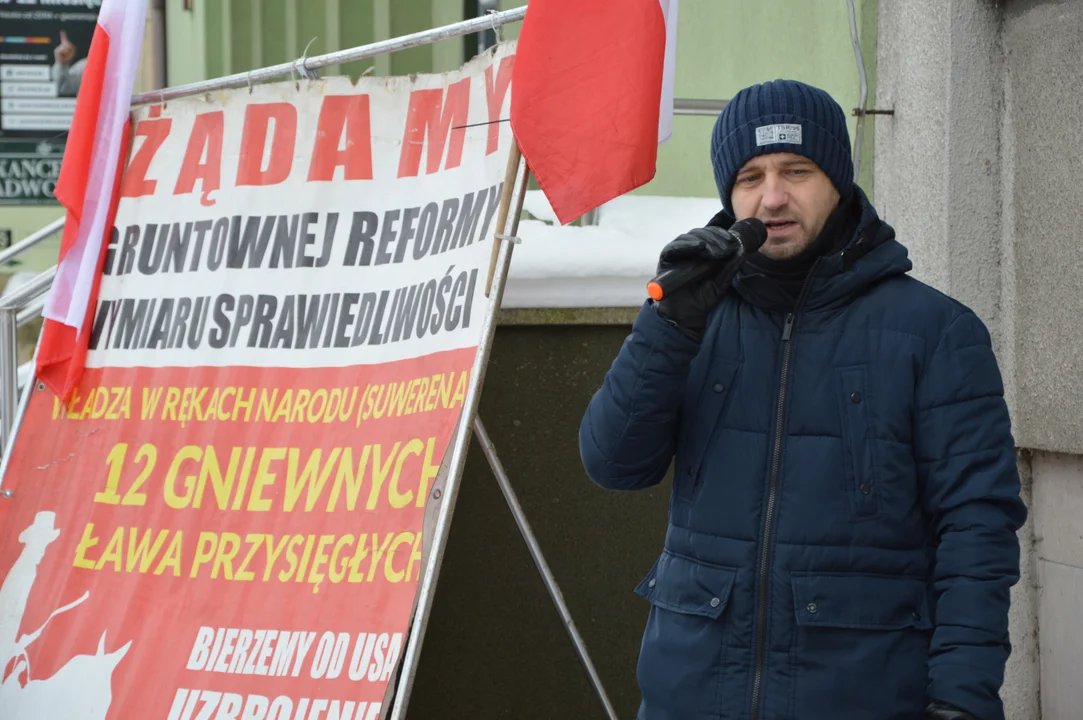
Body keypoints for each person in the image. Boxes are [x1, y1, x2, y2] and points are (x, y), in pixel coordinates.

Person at [578, 79, 1026, 720]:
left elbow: (977, 530)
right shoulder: (692, 316)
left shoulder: (935, 332)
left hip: (862, 695)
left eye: (797, 170)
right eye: (750, 176)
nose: (772, 197)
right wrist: (667, 323)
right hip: (693, 696)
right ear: (728, 194)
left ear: (838, 180)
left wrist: (960, 698)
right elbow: (614, 464)